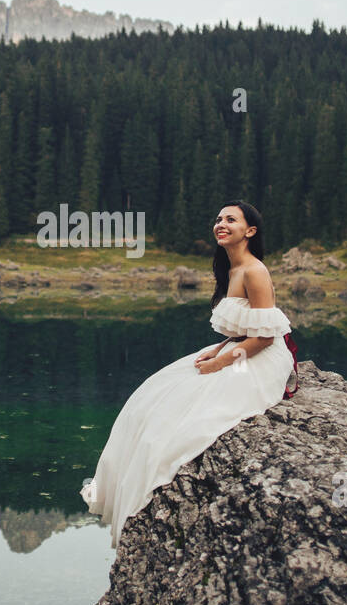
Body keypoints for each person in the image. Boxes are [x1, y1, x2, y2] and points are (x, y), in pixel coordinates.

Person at [79, 200, 296, 548]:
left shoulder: (255, 271)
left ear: (250, 231)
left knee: (189, 418)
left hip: (263, 356)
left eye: (231, 220)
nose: (220, 224)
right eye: (218, 218)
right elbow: (246, 328)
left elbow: (266, 336)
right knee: (150, 399)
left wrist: (222, 362)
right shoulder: (231, 267)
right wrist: (219, 348)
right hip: (242, 346)